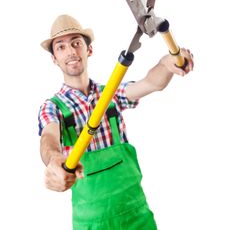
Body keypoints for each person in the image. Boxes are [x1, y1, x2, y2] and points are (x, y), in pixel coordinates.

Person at [38, 14, 194, 230]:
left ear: (88, 50)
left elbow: (150, 83)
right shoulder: (53, 107)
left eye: (76, 43)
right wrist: (55, 159)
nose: (71, 51)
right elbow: (48, 137)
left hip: (137, 217)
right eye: (61, 47)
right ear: (54, 58)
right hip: (91, 223)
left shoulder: (110, 93)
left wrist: (166, 64)